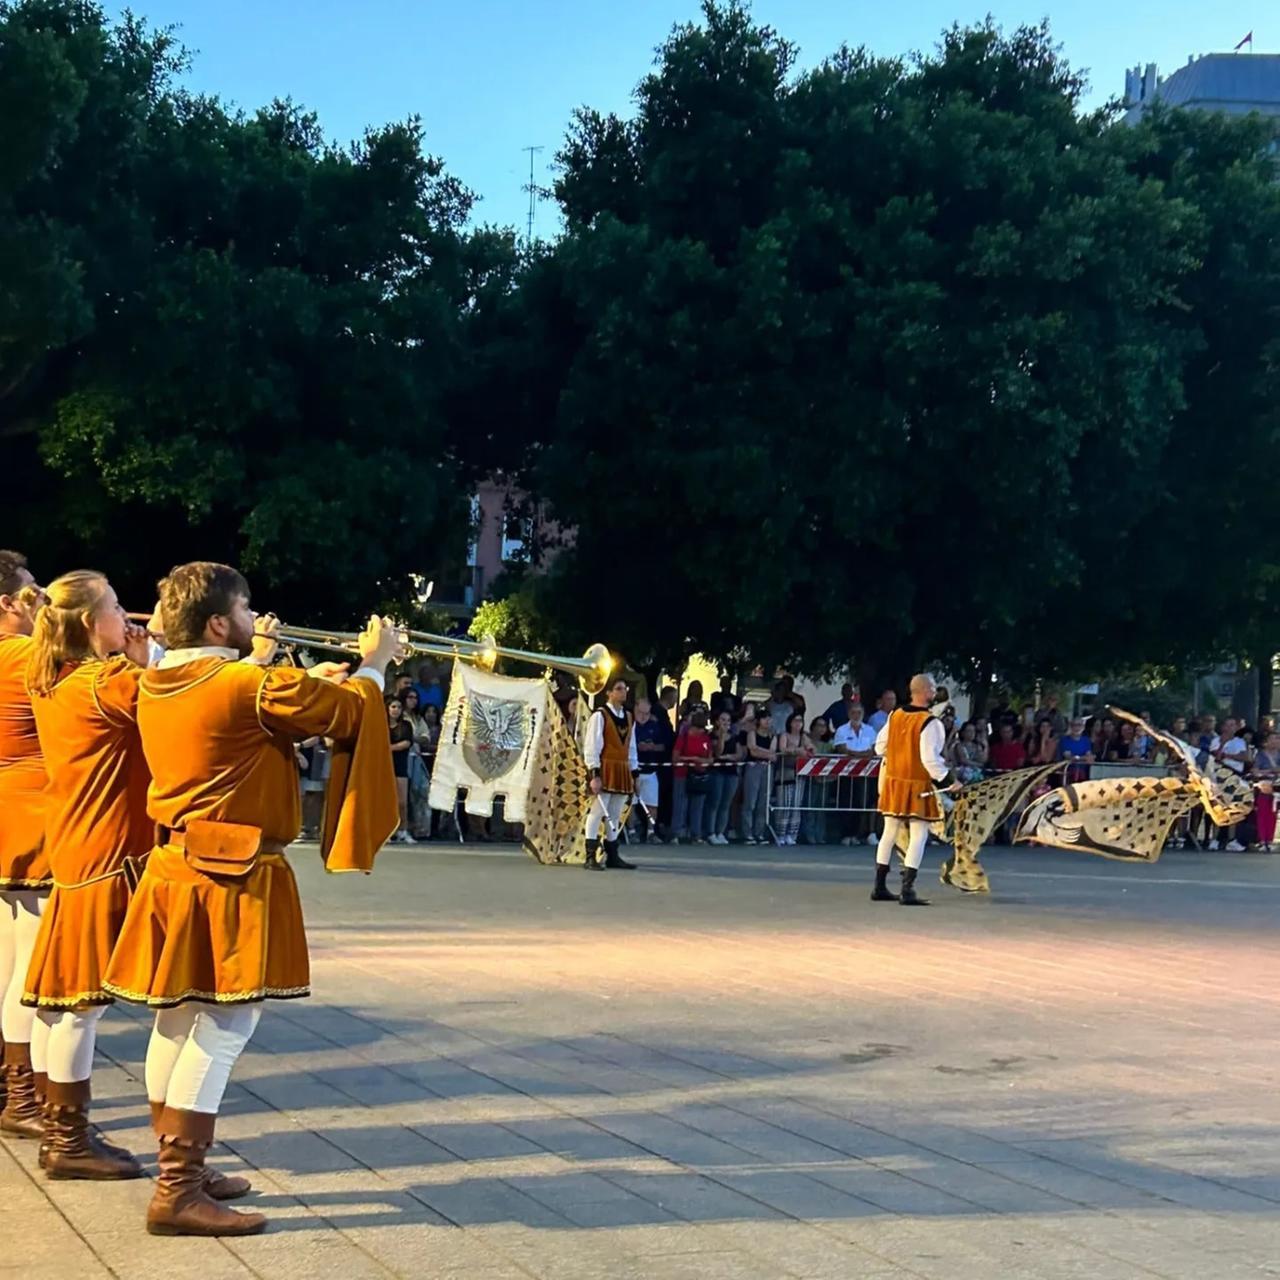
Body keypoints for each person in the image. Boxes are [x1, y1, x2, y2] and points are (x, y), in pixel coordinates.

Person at [102, 562, 399, 1237]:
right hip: (232, 874)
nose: (254, 618)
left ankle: (180, 1172)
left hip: (178, 864)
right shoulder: (246, 684)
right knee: (225, 1025)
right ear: (217, 623)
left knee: (176, 1019)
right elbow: (348, 712)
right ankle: (178, 1189)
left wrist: (298, 669)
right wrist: (375, 662)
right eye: (244, 608)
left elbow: (254, 709)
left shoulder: (157, 681)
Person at [23, 571, 155, 1180]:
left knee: (61, 1004)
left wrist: (135, 660)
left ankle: (61, 1130)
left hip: (77, 846)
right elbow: (178, 705)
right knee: (80, 1007)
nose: (128, 616)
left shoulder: (57, 678)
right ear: (87, 622)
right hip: (105, 854)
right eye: (116, 606)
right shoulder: (103, 682)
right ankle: (67, 1142)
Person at [0, 550, 52, 1141]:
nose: (43, 601)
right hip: (32, 812)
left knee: (10, 959)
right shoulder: (22, 654)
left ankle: (10, 1088)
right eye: (34, 592)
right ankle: (22, 1097)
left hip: (9, 811)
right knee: (29, 965)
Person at [871, 674, 957, 906]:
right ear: (925, 691)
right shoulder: (930, 722)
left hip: (894, 781)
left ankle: (879, 886)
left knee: (889, 832)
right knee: (919, 833)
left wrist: (899, 756)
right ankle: (907, 889)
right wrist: (950, 781)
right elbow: (930, 760)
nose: (934, 692)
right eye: (932, 688)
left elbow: (880, 747)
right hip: (916, 783)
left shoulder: (896, 714)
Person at [582, 678, 638, 870]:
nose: (623, 692)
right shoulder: (600, 715)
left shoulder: (629, 717)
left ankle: (612, 854)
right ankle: (590, 856)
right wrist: (595, 773)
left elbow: (631, 747)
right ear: (608, 693)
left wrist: (634, 773)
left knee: (614, 813)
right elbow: (592, 745)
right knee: (598, 811)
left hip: (621, 767)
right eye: (618, 689)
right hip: (606, 766)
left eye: (625, 688)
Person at [833, 703, 878, 845]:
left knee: (864, 802)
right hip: (847, 772)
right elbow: (842, 749)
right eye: (853, 712)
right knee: (847, 802)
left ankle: (860, 833)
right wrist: (861, 755)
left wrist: (854, 754)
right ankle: (847, 834)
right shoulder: (842, 730)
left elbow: (873, 750)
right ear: (849, 714)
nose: (856, 715)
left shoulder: (870, 730)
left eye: (859, 712)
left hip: (867, 773)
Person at [1209, 717, 1249, 851]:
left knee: (1234, 807)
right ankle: (1215, 839)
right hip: (1220, 777)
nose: (1231, 728)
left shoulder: (1240, 742)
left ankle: (1231, 840)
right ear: (1223, 727)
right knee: (1219, 807)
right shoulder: (1216, 741)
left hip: (1235, 776)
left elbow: (1245, 757)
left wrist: (1228, 756)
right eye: (1228, 725)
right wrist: (1223, 744)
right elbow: (1216, 757)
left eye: (1233, 725)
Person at [674, 709, 714, 844]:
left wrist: (701, 761)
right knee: (680, 804)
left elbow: (710, 758)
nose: (701, 731)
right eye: (699, 728)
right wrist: (692, 759)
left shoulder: (705, 738)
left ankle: (695, 835)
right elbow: (675, 757)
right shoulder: (683, 738)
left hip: (699, 775)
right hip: (682, 774)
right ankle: (676, 833)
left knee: (698, 805)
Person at [772, 712, 810, 846]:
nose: (798, 723)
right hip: (785, 773)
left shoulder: (803, 736)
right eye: (795, 721)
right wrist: (797, 750)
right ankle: (780, 833)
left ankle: (792, 834)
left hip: (799, 773)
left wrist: (806, 749)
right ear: (790, 722)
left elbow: (811, 748)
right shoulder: (784, 735)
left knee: (796, 804)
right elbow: (783, 749)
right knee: (784, 804)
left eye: (800, 721)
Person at [705, 708, 741, 845]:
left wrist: (729, 757)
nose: (726, 723)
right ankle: (711, 832)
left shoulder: (734, 736)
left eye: (728, 720)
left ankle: (720, 832)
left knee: (726, 804)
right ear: (717, 722)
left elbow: (739, 754)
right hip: (717, 772)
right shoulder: (712, 736)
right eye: (723, 720)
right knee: (715, 803)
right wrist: (721, 736)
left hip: (731, 773)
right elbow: (718, 752)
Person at [740, 710, 776, 846]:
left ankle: (759, 832)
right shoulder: (752, 734)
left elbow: (773, 753)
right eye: (764, 718)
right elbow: (752, 750)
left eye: (769, 718)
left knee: (763, 802)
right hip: (753, 767)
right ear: (758, 721)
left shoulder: (773, 736)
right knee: (750, 801)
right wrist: (766, 753)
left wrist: (761, 751)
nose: (767, 721)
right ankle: (747, 833)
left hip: (767, 768)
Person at [631, 698, 664, 842]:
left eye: (646, 713)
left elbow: (663, 746)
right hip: (633, 770)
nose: (643, 716)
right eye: (640, 712)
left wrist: (651, 747)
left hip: (650, 771)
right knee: (631, 803)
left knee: (652, 804)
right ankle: (631, 831)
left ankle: (651, 832)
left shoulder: (654, 726)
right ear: (635, 710)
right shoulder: (630, 725)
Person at [386, 697, 415, 843]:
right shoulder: (381, 724)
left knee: (402, 802)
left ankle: (403, 830)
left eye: (398, 707)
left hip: (400, 765)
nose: (395, 710)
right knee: (385, 801)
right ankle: (387, 831)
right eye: (393, 707)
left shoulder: (406, 725)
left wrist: (388, 748)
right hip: (384, 765)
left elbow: (406, 743)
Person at [1251, 731, 1279, 852]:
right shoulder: (1260, 755)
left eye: (1277, 739)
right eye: (1273, 739)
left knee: (1273, 814)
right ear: (1265, 742)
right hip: (1263, 785)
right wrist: (1270, 771)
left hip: (1277, 786)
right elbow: (1255, 771)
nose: (1276, 741)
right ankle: (1262, 840)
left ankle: (1270, 840)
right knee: (1262, 813)